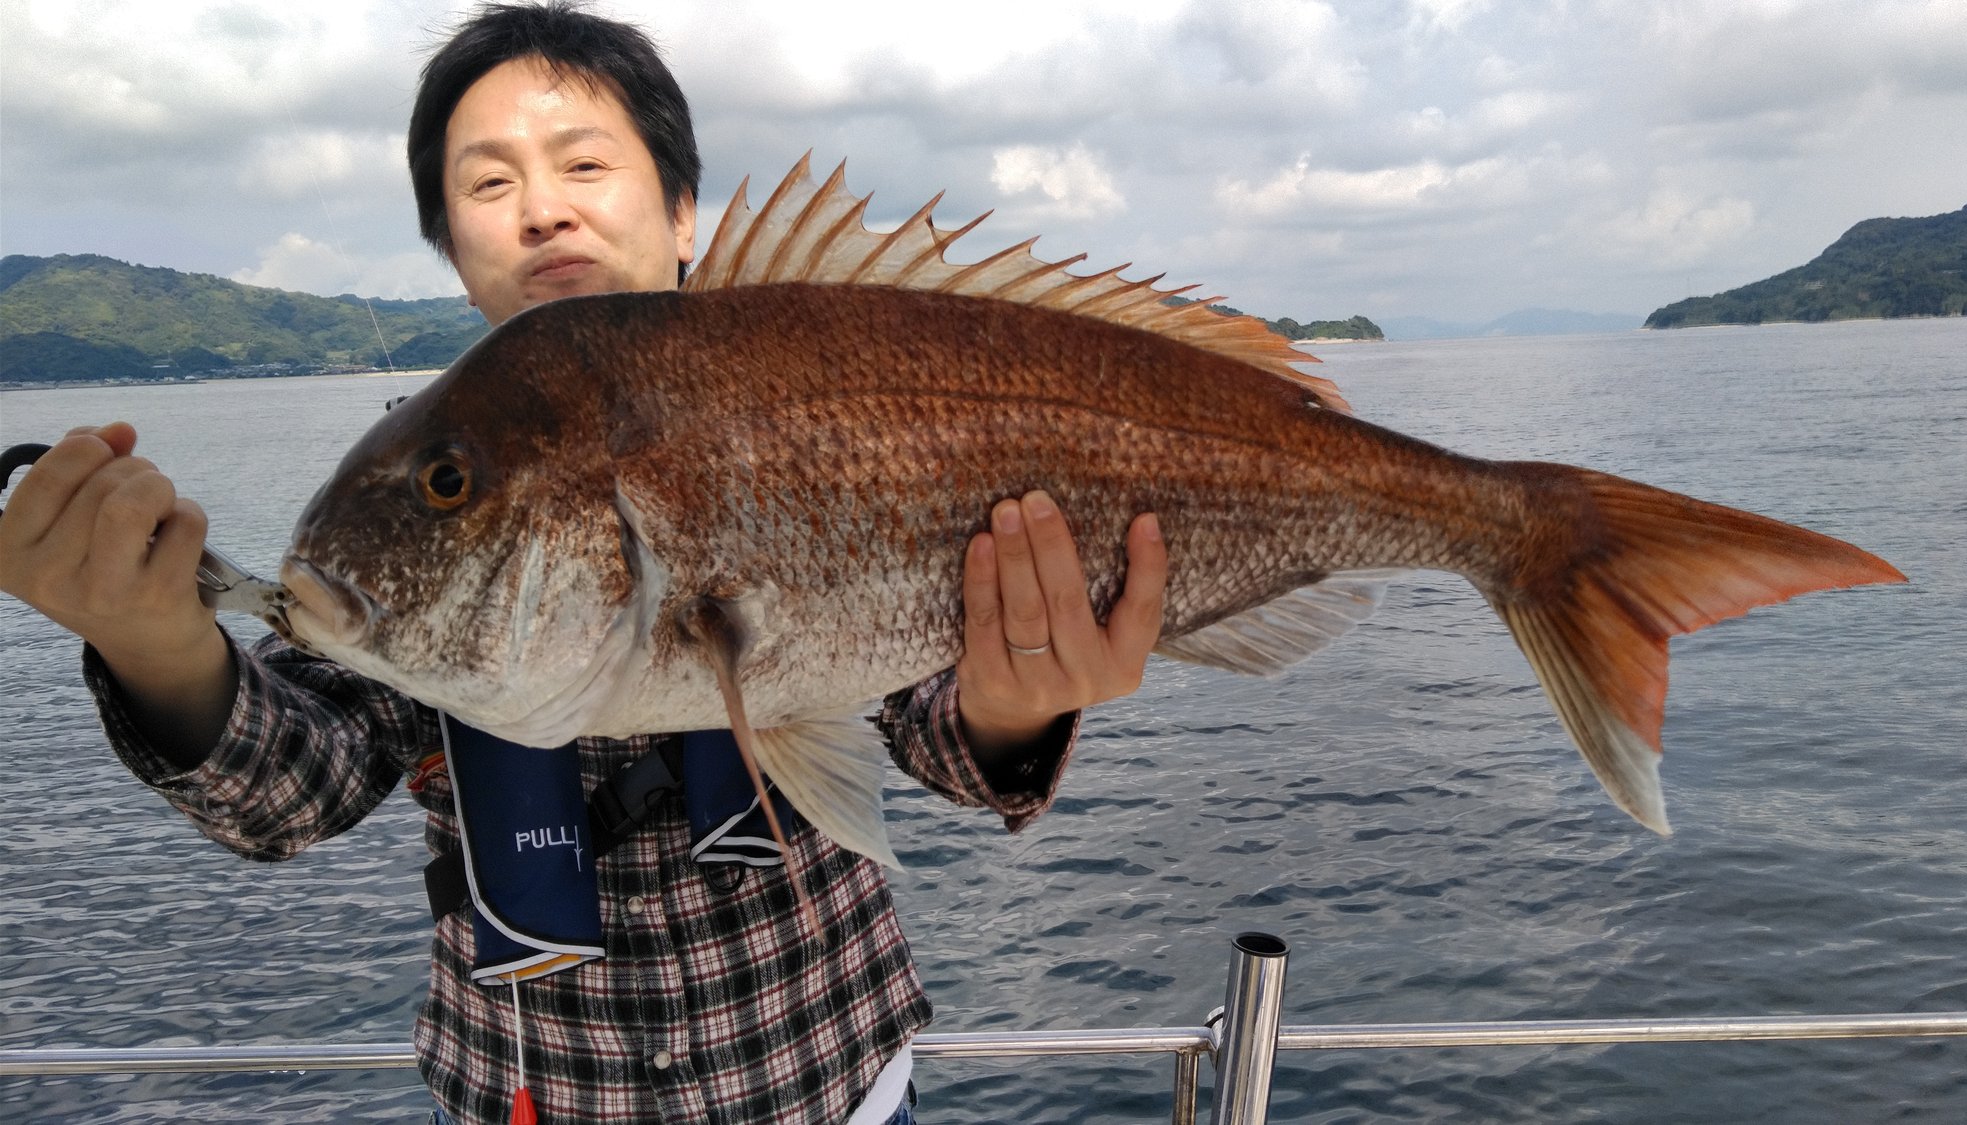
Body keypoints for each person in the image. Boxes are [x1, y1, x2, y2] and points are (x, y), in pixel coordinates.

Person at [0, 3, 1166, 1122]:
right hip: (527, 1095)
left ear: (682, 213)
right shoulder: (435, 480)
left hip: (826, 1081)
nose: (542, 211)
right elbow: (294, 787)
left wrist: (1015, 710)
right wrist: (156, 645)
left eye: (584, 166)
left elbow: (941, 738)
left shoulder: (831, 382)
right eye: (489, 183)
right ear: (454, 253)